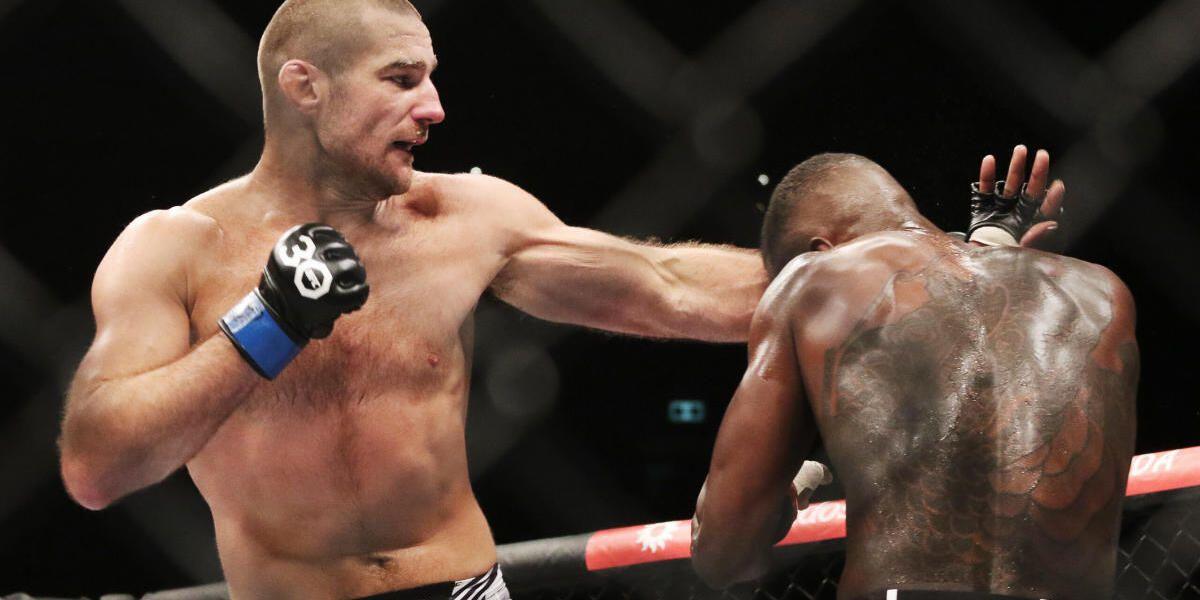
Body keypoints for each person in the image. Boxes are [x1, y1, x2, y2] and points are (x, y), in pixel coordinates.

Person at [57, 1, 766, 598]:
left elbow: (666, 286)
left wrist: (852, 280)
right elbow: (96, 467)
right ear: (306, 87)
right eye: (401, 80)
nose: (433, 108)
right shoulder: (178, 248)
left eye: (429, 79)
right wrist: (268, 326)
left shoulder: (467, 220)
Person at [690, 150, 1137, 600]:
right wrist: (992, 248)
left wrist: (784, 489)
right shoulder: (1102, 294)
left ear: (820, 250)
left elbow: (724, 553)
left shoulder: (813, 279)